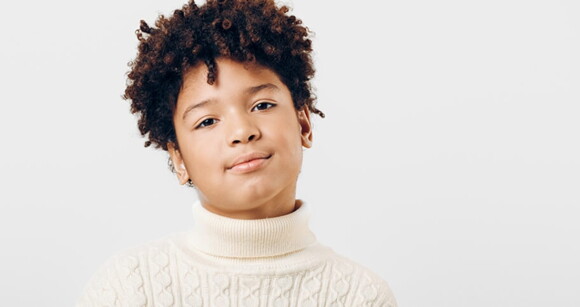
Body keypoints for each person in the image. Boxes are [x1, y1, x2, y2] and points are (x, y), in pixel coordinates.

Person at [77, 0, 397, 305]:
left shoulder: (359, 295)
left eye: (262, 105)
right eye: (207, 121)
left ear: (303, 125)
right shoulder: (128, 287)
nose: (242, 131)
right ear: (178, 159)